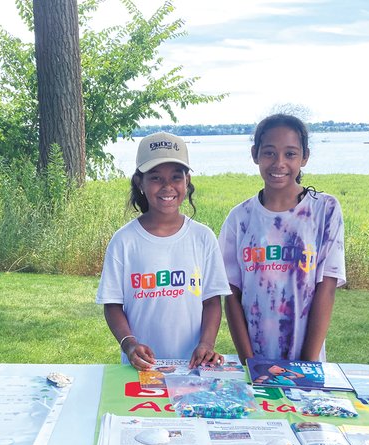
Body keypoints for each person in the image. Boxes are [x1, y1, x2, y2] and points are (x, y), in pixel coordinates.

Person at [96, 132, 231, 370]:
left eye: (176, 177)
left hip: (192, 366)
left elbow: (211, 301)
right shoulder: (124, 241)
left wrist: (206, 344)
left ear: (187, 181)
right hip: (141, 367)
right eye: (156, 178)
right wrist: (129, 344)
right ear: (140, 182)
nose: (167, 187)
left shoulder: (203, 237)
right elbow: (113, 304)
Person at [219, 113, 346, 362]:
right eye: (269, 153)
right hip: (254, 358)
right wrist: (250, 362)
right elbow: (231, 294)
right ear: (255, 154)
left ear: (304, 157)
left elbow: (326, 288)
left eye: (290, 154)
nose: (279, 163)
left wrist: (308, 364)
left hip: (306, 357)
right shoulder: (240, 218)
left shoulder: (325, 210)